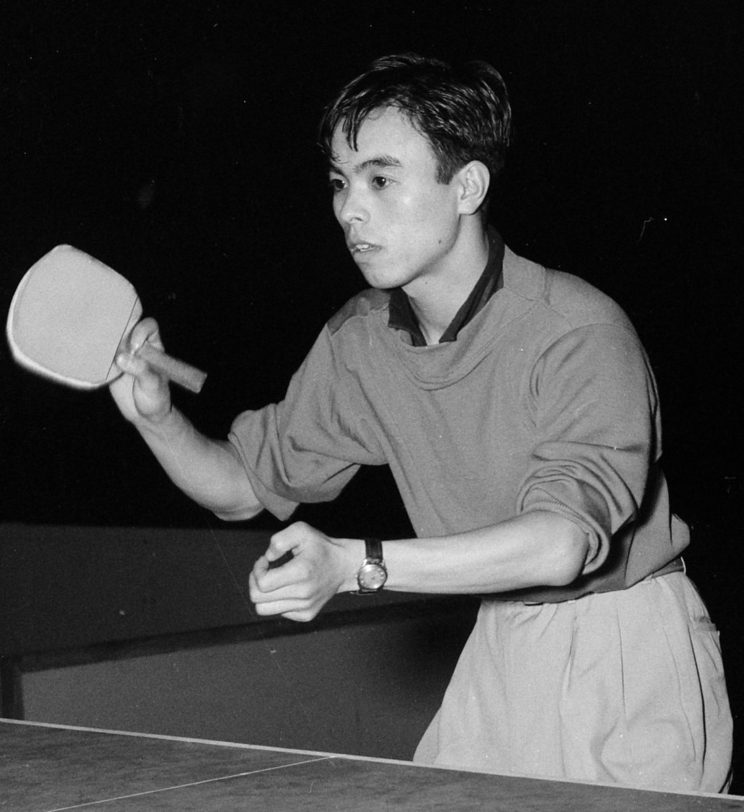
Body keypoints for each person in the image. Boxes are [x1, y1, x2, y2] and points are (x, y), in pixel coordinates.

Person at [110, 53, 732, 792]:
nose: (349, 209)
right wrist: (156, 418)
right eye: (340, 182)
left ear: (467, 187)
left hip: (626, 645)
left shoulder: (578, 331)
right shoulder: (361, 341)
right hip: (500, 639)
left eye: (379, 179)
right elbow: (242, 486)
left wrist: (356, 565)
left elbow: (561, 544)